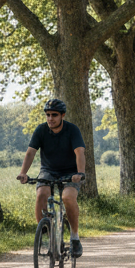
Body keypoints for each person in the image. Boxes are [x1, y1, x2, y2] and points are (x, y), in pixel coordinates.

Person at [17, 99, 86, 257]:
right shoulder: (41, 130)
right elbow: (31, 152)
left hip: (71, 172)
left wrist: (80, 173)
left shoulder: (72, 130)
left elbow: (79, 152)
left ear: (62, 115)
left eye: (54, 115)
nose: (50, 118)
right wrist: (23, 173)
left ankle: (74, 237)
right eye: (47, 115)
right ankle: (45, 233)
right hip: (48, 170)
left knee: (68, 197)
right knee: (41, 193)